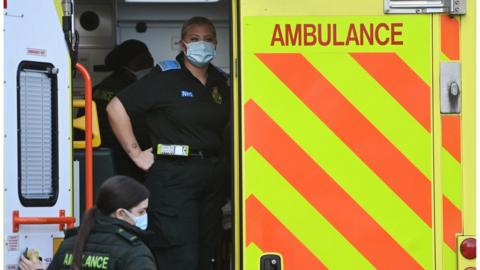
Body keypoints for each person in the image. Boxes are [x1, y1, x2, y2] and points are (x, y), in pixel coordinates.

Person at [106, 16, 230, 270]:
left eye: (208, 39)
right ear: (183, 44)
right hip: (173, 177)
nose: (202, 44)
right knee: (179, 257)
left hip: (212, 178)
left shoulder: (221, 82)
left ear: (216, 43)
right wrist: (136, 154)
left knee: (209, 255)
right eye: (195, 39)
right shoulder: (164, 78)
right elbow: (115, 108)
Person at [19, 175, 157, 270]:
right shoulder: (134, 253)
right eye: (141, 211)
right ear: (121, 213)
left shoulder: (70, 244)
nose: (145, 216)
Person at [91, 39, 154, 182]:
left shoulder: (100, 87)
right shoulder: (132, 90)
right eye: (148, 60)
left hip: (100, 157)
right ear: (135, 61)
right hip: (127, 160)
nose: (151, 65)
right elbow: (142, 129)